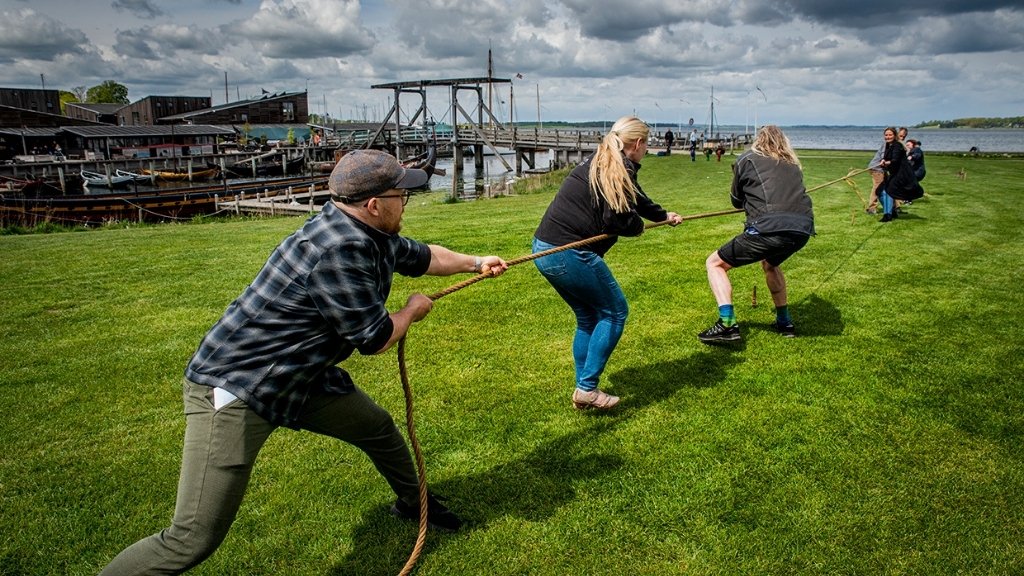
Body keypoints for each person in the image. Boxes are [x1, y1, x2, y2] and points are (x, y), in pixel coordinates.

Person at [99, 149, 509, 575]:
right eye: (401, 195)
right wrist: (412, 311)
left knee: (377, 428)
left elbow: (423, 256)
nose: (406, 201)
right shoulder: (337, 250)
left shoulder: (367, 230)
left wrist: (476, 263)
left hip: (302, 376)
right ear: (373, 204)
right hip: (239, 387)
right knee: (191, 538)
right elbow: (375, 337)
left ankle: (413, 503)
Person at [532, 116, 682, 410]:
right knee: (615, 312)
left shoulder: (605, 159)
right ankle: (587, 388)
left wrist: (663, 216)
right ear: (637, 144)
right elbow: (617, 219)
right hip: (568, 252)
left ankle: (583, 389)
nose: (647, 150)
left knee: (589, 317)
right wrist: (638, 227)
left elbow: (634, 198)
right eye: (647, 144)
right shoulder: (618, 165)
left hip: (544, 248)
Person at [698, 125, 814, 343]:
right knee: (770, 264)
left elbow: (735, 200)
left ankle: (727, 324)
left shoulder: (747, 158)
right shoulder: (793, 164)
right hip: (802, 229)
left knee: (714, 263)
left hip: (769, 227)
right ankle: (784, 322)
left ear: (758, 139)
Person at [875, 126, 922, 222]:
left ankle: (887, 215)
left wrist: (887, 162)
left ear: (895, 135)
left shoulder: (897, 145)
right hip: (894, 173)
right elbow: (888, 159)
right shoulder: (889, 145)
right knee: (879, 192)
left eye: (890, 135)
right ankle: (892, 211)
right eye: (886, 135)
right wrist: (884, 161)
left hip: (902, 173)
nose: (888, 137)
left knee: (888, 191)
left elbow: (895, 161)